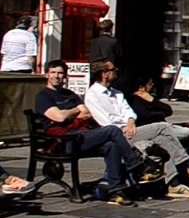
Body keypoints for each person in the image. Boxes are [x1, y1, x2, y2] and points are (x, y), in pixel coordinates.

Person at [85, 59, 189, 198]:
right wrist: (124, 128)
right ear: (104, 74)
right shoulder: (92, 95)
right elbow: (104, 122)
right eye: (113, 69)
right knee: (162, 127)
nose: (116, 71)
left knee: (163, 139)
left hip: (131, 128)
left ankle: (174, 184)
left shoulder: (116, 93)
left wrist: (130, 123)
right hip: (117, 136)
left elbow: (128, 112)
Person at [36, 60, 150, 205]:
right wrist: (75, 110)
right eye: (53, 72)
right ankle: (135, 163)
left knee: (112, 145)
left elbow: (86, 113)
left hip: (81, 136)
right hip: (62, 141)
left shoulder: (70, 94)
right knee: (112, 130)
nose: (56, 76)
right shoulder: (44, 96)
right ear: (47, 75)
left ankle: (116, 190)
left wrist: (70, 113)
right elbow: (60, 117)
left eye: (60, 73)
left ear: (65, 76)